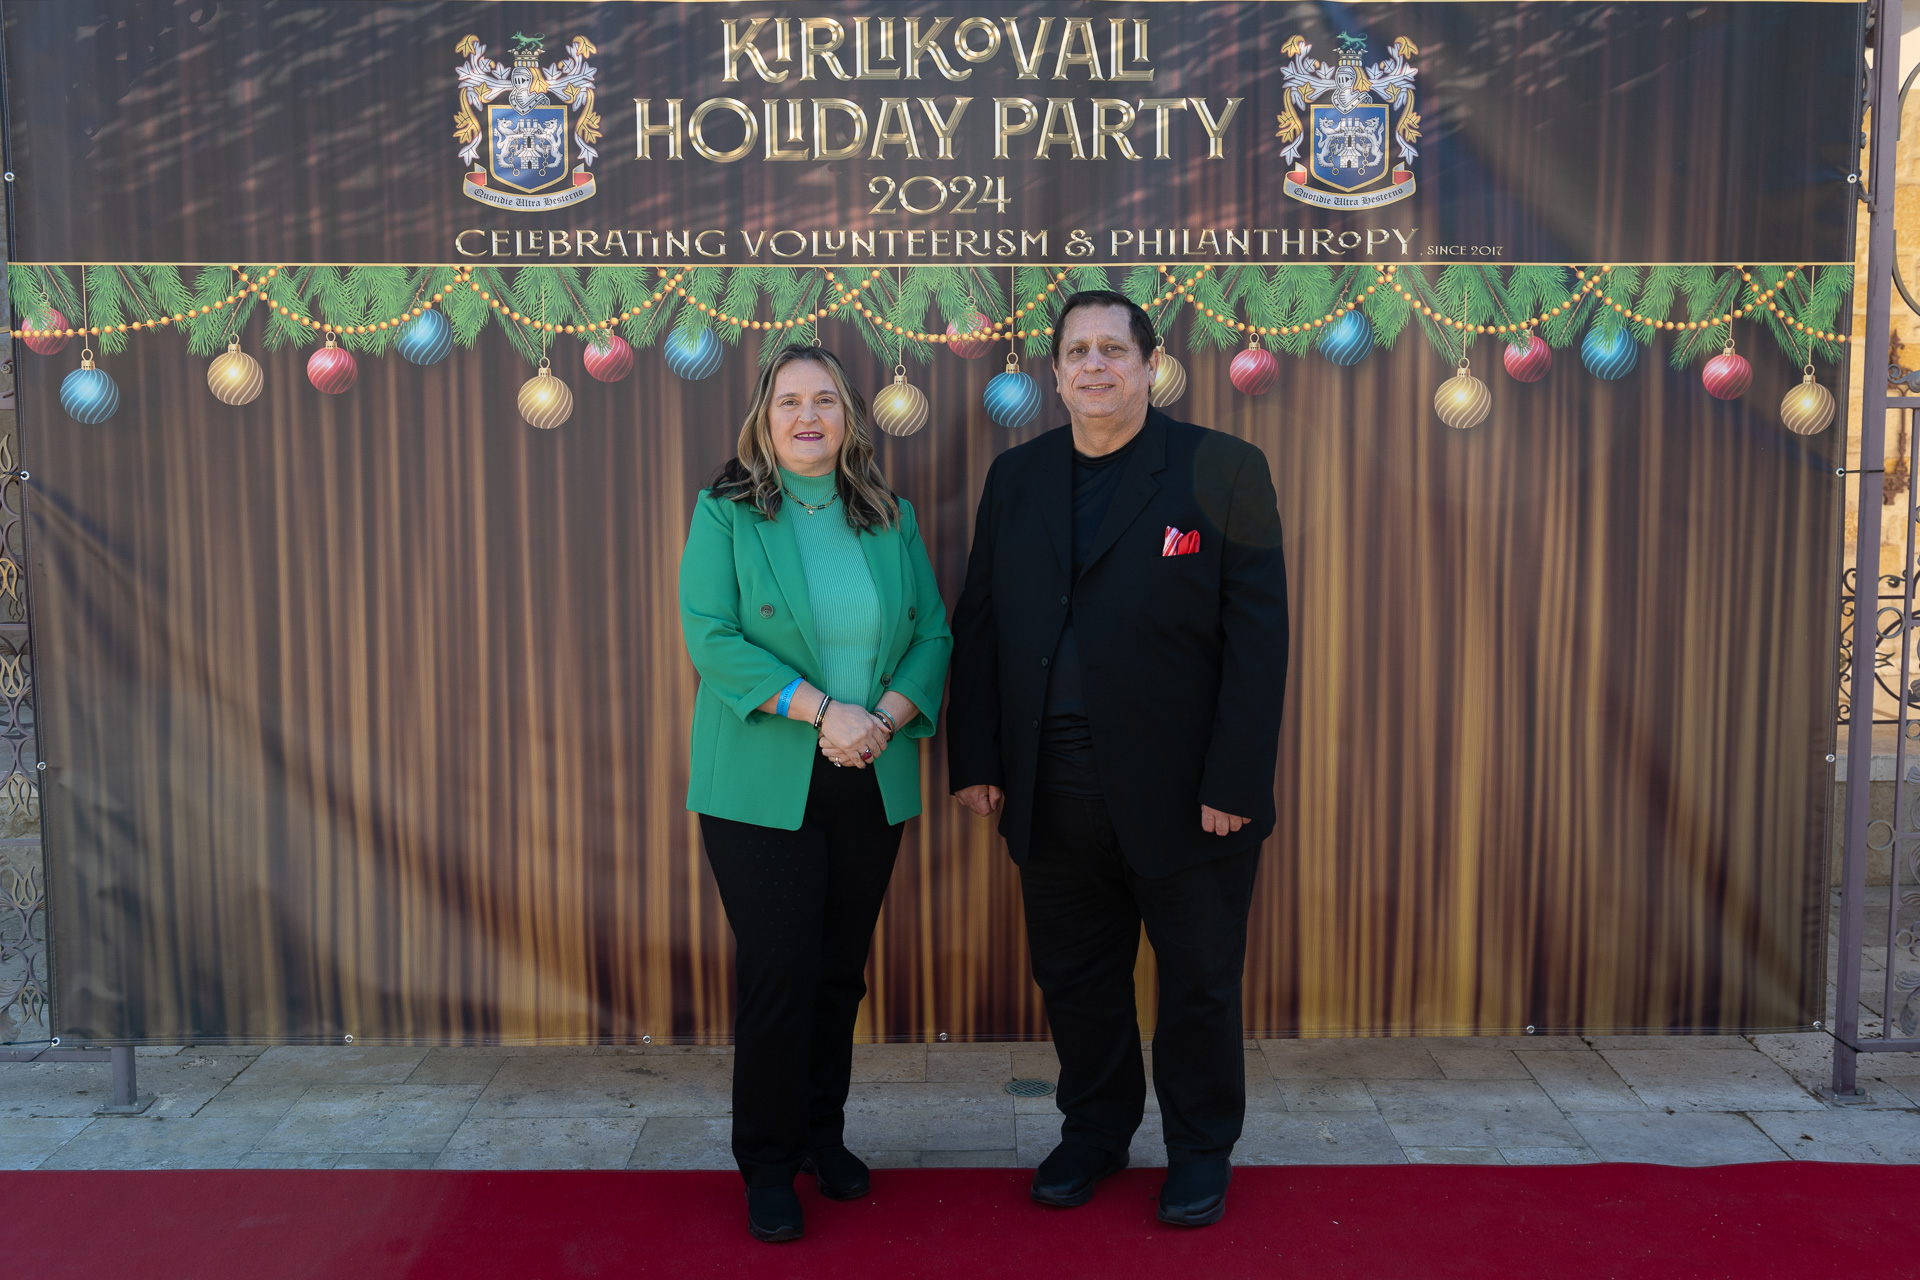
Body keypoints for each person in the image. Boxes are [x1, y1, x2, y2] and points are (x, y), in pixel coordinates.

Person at [947, 292, 1288, 1227]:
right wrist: (976, 756)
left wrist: (1235, 779)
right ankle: (1094, 1133)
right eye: (1077, 352)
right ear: (1055, 373)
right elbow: (980, 623)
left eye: (1113, 350)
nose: (1094, 366)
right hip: (1049, 786)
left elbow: (1259, 641)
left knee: (1199, 983)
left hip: (1190, 794)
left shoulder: (1224, 468)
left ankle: (1200, 1149)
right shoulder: (1016, 478)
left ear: (1151, 365)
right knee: (1076, 979)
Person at [679, 344, 952, 1243]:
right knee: (780, 974)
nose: (808, 416)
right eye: (789, 401)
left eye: (825, 401)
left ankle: (820, 1136)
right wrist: (826, 712)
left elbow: (932, 635)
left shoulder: (888, 515)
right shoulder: (727, 513)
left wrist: (880, 720)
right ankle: (767, 1161)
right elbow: (712, 637)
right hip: (763, 782)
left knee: (838, 974)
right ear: (764, 419)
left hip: (869, 771)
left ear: (849, 419)